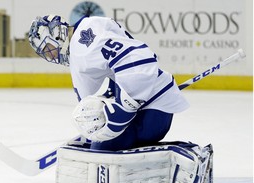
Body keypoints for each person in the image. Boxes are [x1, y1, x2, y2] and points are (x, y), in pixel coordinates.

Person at [28, 15, 189, 151]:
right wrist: (92, 131)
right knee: (98, 146)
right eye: (46, 54)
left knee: (99, 152)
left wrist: (128, 103)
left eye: (49, 48)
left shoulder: (80, 51)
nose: (52, 56)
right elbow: (88, 102)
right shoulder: (92, 22)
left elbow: (140, 58)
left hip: (152, 112)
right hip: (157, 105)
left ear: (57, 34)